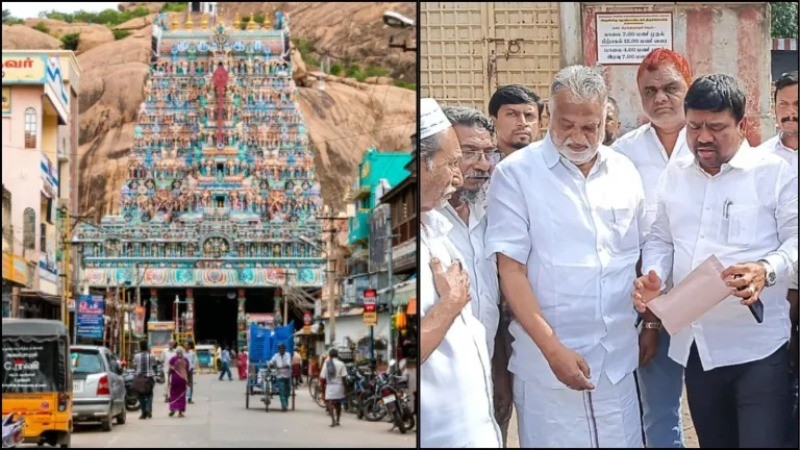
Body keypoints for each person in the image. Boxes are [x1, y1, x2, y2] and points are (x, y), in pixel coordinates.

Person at [633, 74, 798, 448]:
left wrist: (766, 270)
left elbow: (795, 240)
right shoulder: (675, 176)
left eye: (717, 127)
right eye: (694, 126)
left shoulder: (774, 174)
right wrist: (655, 274)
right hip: (698, 347)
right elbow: (660, 236)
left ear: (743, 125)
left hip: (757, 351)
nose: (703, 137)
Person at [485, 65, 646, 447]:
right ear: (549, 114)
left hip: (617, 366)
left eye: (589, 127)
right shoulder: (515, 175)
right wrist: (553, 349)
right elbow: (511, 271)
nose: (577, 137)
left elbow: (638, 254)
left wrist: (650, 316)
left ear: (605, 119)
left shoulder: (624, 171)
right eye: (566, 124)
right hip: (547, 370)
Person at [611, 48, 694, 448]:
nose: (660, 98)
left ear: (688, 87)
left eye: (670, 88)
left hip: (712, 301)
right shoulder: (623, 154)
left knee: (717, 408)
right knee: (659, 414)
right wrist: (649, 318)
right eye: (650, 91)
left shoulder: (711, 143)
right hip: (650, 304)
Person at [419, 98, 501, 448]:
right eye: (452, 161)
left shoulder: (433, 228)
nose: (458, 174)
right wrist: (449, 305)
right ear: (421, 165)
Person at [440, 105, 511, 445]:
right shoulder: (429, 226)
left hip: (485, 373)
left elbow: (491, 304)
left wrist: (499, 374)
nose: (483, 164)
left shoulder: (492, 214)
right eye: (469, 153)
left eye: (488, 153)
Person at [757, 70, 798, 449]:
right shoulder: (761, 161)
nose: (790, 112)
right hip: (781, 288)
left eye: (797, 105)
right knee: (779, 378)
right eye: (783, 104)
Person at [488, 85, 544, 157]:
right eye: (512, 114)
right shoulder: (483, 163)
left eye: (528, 115)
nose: (523, 123)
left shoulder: (552, 164)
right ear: (494, 121)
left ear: (540, 123)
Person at [319, 348, 347, 427]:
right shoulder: (341, 363)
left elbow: (322, 376)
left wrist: (321, 386)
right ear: (337, 355)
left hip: (330, 385)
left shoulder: (327, 363)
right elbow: (344, 377)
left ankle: (333, 421)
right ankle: (338, 420)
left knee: (329, 402)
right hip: (339, 386)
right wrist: (346, 388)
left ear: (330, 356)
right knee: (338, 403)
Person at [133, 340, 156, 420]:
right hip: (149, 377)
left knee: (140, 395)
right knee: (149, 394)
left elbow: (135, 366)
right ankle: (148, 408)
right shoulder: (151, 356)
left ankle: (143, 413)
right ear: (147, 347)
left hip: (139, 377)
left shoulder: (136, 356)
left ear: (140, 347)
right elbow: (154, 365)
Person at [269, 343, 292, 412]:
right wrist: (269, 364)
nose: (281, 350)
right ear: (278, 350)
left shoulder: (288, 355)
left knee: (287, 391)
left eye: (282, 348)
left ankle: (286, 402)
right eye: (280, 349)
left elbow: (288, 364)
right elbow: (271, 361)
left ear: (285, 349)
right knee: (281, 391)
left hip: (287, 375)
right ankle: (283, 405)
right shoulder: (276, 355)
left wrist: (281, 367)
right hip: (279, 375)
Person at [168, 346, 190, 418]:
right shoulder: (186, 360)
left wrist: (168, 379)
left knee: (173, 393)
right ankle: (180, 412)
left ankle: (172, 408)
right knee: (182, 395)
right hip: (183, 379)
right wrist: (188, 381)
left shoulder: (173, 359)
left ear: (176, 352)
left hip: (175, 378)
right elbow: (187, 371)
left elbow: (170, 370)